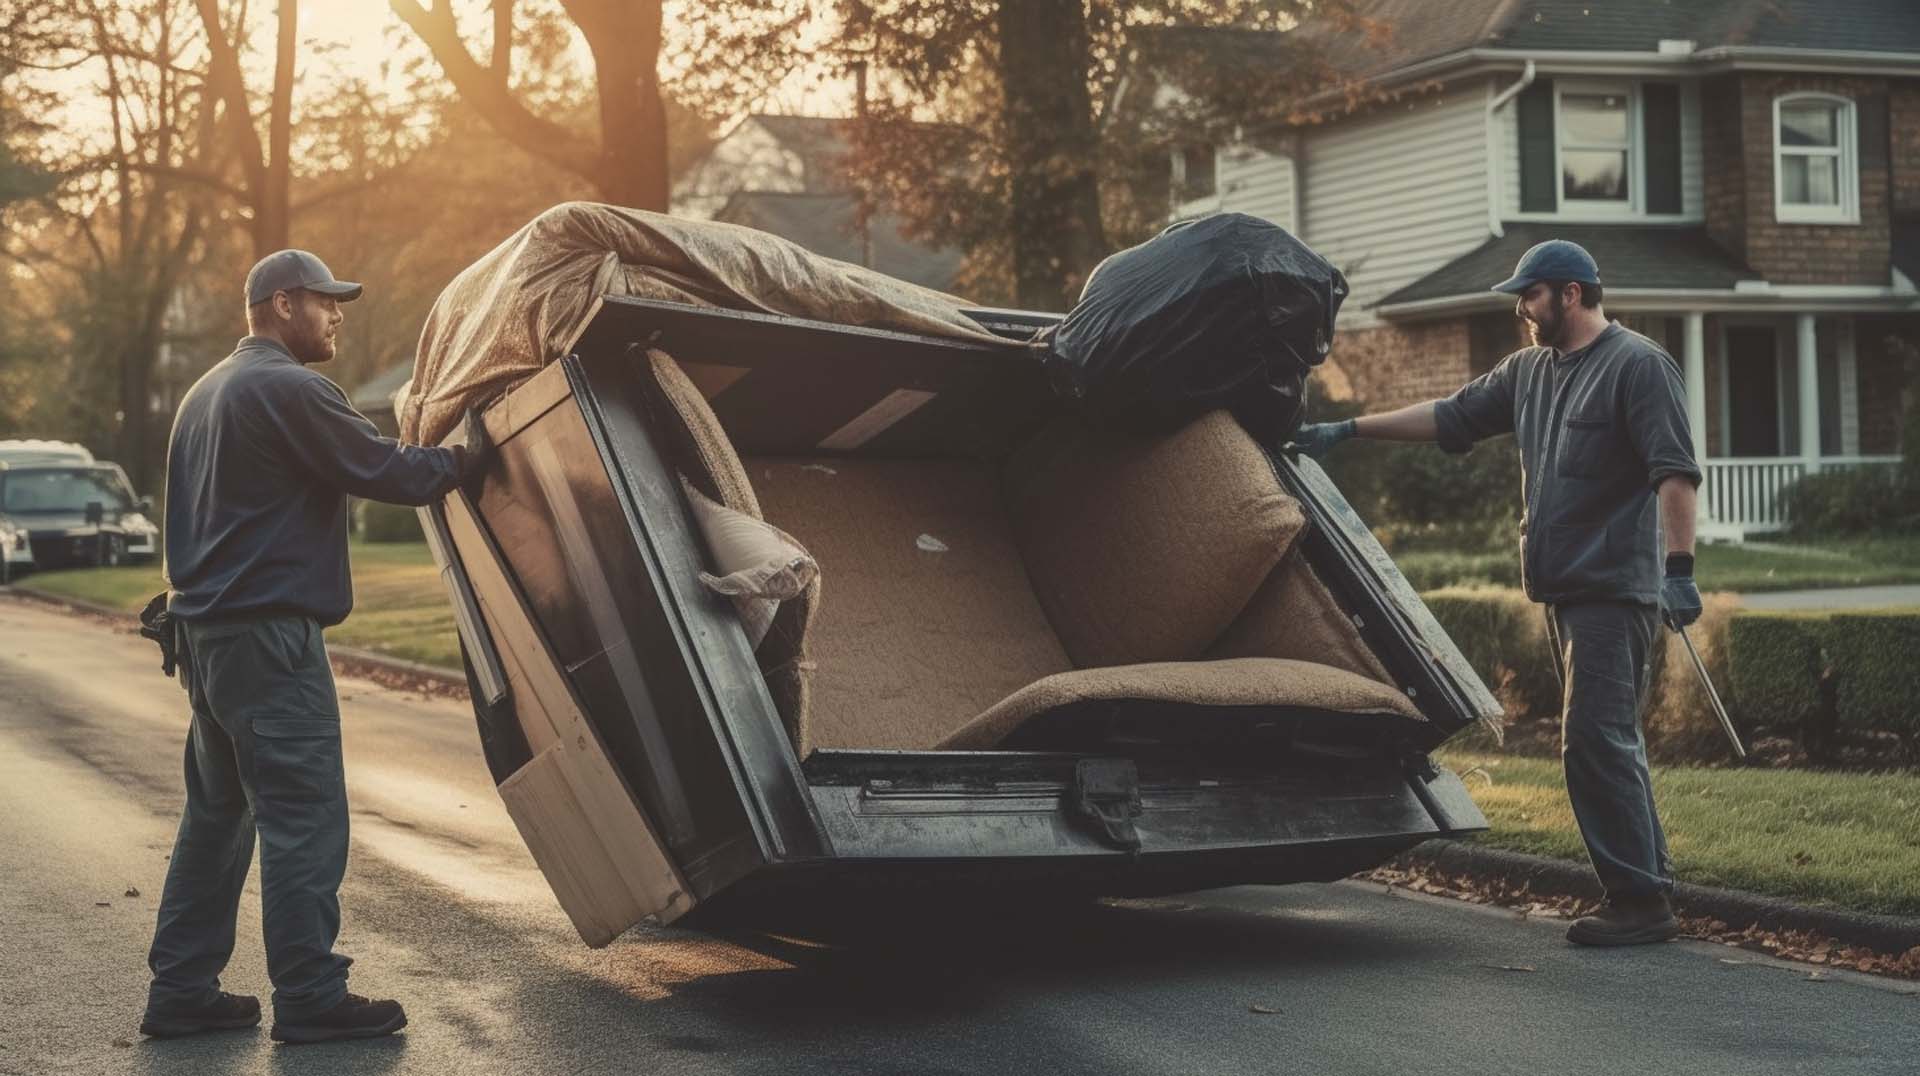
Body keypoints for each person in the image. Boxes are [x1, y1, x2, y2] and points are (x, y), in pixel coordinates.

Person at [1291, 239, 1702, 947]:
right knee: (1603, 743)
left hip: (1614, 589)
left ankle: (1640, 902)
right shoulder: (1529, 371)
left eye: (1531, 293)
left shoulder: (1638, 366)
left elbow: (1675, 473)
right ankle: (1644, 888)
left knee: (1594, 742)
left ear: (1571, 293)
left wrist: (1681, 568)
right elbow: (1450, 416)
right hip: (1564, 588)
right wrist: (1347, 429)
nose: (1521, 306)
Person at [140, 250, 490, 1043]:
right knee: (303, 817)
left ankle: (182, 990)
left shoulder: (206, 392)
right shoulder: (289, 388)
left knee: (217, 819)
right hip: (267, 640)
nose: (338, 316)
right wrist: (473, 454)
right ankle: (309, 995)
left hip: (207, 638)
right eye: (328, 302)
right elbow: (388, 469)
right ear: (284, 303)